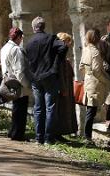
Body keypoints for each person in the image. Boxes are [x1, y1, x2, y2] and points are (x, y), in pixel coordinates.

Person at [24, 16, 67, 145]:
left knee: (38, 107)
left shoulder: (29, 42)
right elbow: (63, 46)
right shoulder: (50, 38)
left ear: (33, 28)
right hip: (49, 75)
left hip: (35, 77)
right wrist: (56, 61)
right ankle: (48, 138)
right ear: (44, 27)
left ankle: (39, 137)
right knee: (50, 107)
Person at [80, 29, 110, 141]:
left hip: (89, 81)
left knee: (91, 109)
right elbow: (96, 70)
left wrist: (87, 75)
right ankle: (87, 137)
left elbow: (81, 67)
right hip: (95, 83)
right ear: (97, 38)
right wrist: (105, 79)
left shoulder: (86, 49)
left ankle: (87, 136)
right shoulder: (94, 52)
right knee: (91, 110)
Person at [0, 28, 31, 141]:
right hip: (17, 82)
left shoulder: (4, 48)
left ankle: (13, 131)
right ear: (18, 37)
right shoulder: (16, 50)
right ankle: (18, 133)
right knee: (20, 108)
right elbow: (20, 70)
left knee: (16, 107)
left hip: (8, 80)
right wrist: (27, 85)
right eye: (21, 38)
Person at [55, 32, 78, 140]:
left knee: (66, 110)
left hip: (67, 87)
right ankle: (58, 133)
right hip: (62, 88)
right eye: (68, 42)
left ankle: (63, 132)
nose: (69, 45)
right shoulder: (58, 58)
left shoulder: (64, 58)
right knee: (61, 110)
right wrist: (62, 88)